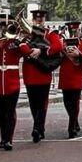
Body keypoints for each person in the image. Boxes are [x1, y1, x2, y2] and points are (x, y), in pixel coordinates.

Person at [0, 23, 31, 151]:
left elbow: (27, 52)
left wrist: (20, 42)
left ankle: (9, 139)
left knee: (10, 112)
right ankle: (3, 138)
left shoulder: (17, 44)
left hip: (12, 84)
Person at [22, 10, 64, 143]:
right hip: (30, 73)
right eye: (36, 19)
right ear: (33, 20)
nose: (38, 21)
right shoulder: (27, 34)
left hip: (43, 74)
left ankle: (37, 128)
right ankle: (39, 128)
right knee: (33, 103)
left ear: (44, 20)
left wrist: (41, 51)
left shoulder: (50, 34)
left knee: (41, 103)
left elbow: (57, 47)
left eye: (41, 19)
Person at [59, 21, 82, 139]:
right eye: (71, 31)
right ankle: (75, 121)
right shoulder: (63, 43)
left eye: (75, 31)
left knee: (75, 102)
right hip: (65, 75)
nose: (73, 33)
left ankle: (72, 126)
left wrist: (79, 55)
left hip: (76, 75)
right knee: (67, 102)